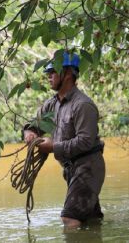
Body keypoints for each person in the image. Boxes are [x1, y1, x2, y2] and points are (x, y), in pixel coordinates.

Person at [23, 51, 105, 228]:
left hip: (88, 167)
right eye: (48, 72)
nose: (49, 76)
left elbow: (85, 141)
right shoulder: (51, 104)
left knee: (70, 218)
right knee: (91, 222)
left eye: (53, 72)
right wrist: (29, 134)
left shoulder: (83, 105)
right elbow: (33, 125)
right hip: (71, 169)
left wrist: (53, 147)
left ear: (68, 74)